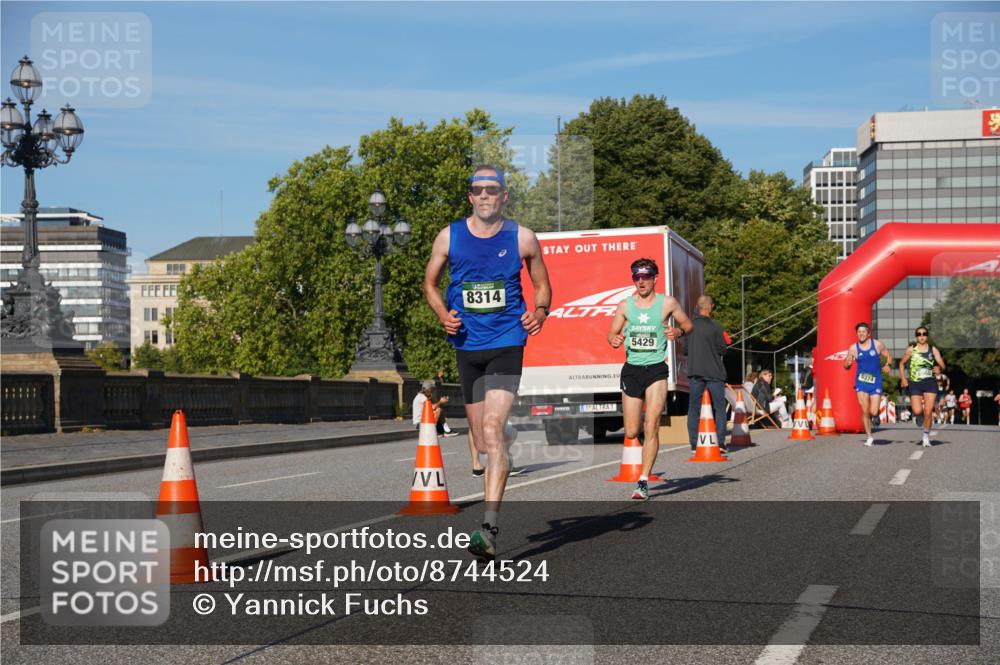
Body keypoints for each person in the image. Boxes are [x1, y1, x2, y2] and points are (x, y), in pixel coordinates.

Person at [423, 165, 551, 559]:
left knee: (491, 431)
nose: (484, 196)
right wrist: (443, 313)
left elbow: (542, 284)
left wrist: (541, 311)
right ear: (470, 197)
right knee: (482, 441)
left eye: (491, 190)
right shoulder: (450, 236)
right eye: (477, 190)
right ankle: (506, 438)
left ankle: (488, 529)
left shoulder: (522, 237)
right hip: (467, 346)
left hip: (506, 343)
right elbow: (429, 283)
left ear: (504, 196)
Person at [608, 258, 691, 500]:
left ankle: (643, 480)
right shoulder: (625, 306)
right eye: (637, 277)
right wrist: (614, 339)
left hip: (656, 369)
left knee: (652, 422)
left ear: (655, 278)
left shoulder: (667, 303)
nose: (641, 281)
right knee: (633, 431)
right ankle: (644, 436)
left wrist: (677, 331)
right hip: (632, 370)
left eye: (646, 276)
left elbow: (688, 325)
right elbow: (611, 333)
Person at [684, 295, 729, 454]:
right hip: (714, 372)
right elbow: (722, 349)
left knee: (694, 407)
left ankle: (694, 444)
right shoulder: (716, 326)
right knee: (719, 407)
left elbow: (686, 350)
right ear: (710, 306)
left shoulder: (689, 326)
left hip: (695, 371)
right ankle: (720, 442)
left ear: (698, 306)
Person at [843, 322, 893, 447]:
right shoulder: (853, 348)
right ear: (856, 333)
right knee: (864, 410)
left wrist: (888, 365)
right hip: (861, 382)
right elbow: (846, 364)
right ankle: (869, 436)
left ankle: (874, 417)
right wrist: (847, 364)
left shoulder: (877, 344)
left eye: (863, 332)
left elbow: (889, 356)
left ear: (868, 333)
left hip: (875, 381)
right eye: (859, 332)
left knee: (874, 411)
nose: (861, 334)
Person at [899, 326, 946, 447]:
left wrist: (939, 368)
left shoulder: (933, 349)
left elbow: (942, 364)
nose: (922, 336)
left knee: (929, 411)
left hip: (930, 382)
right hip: (915, 383)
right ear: (916, 336)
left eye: (924, 334)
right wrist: (903, 378)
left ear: (927, 335)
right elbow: (901, 363)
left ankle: (925, 436)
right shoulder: (911, 349)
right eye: (919, 334)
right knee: (917, 410)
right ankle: (918, 416)